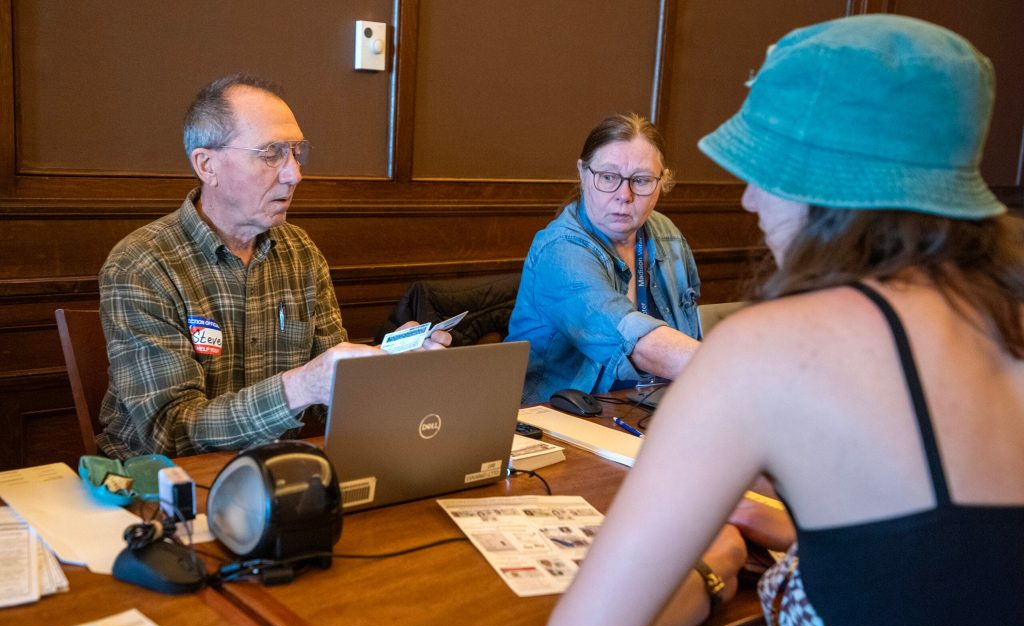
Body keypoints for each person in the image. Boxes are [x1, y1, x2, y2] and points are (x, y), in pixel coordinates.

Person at [541, 14, 1023, 626]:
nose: (748, 196)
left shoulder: (766, 348)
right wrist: (805, 536)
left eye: (764, 169)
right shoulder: (1002, 316)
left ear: (823, 185)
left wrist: (715, 565)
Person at [97, 74, 449, 460]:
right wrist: (300, 387)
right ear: (206, 165)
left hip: (275, 469)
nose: (294, 174)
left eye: (297, 153)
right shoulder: (142, 263)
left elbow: (329, 399)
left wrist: (388, 366)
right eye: (271, 153)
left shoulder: (300, 252)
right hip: (161, 490)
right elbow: (169, 431)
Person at [507, 113, 702, 404]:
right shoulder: (560, 251)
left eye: (641, 180)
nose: (624, 194)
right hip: (558, 424)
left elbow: (692, 332)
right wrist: (734, 369)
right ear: (583, 174)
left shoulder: (666, 234)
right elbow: (633, 341)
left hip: (652, 408)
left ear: (662, 182)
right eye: (608, 177)